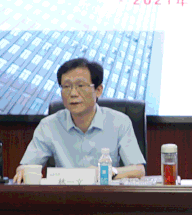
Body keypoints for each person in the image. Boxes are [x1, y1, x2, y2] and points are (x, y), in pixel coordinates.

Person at [14, 58, 146, 183]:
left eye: (80, 85)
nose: (73, 93)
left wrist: (106, 172)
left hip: (105, 196)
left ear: (98, 90)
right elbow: (27, 165)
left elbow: (139, 170)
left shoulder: (119, 122)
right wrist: (23, 169)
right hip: (64, 196)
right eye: (66, 86)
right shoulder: (48, 125)